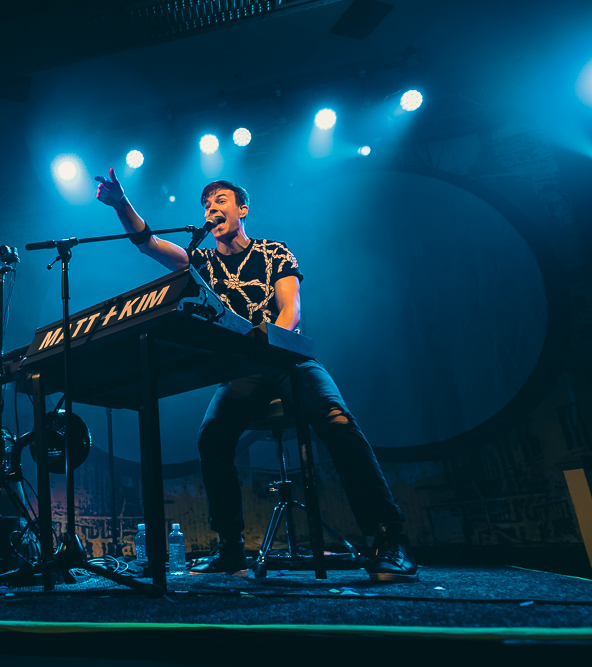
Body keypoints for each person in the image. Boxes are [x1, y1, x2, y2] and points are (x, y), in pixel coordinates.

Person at [94, 168, 418, 582]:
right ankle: (230, 546)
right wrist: (122, 204)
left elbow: (292, 311)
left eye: (221, 201)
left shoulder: (273, 252)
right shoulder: (202, 261)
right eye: (207, 203)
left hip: (287, 359)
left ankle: (390, 537)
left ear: (242, 210)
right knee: (211, 437)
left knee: (337, 419)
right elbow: (149, 245)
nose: (212, 207)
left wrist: (273, 341)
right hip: (243, 370)